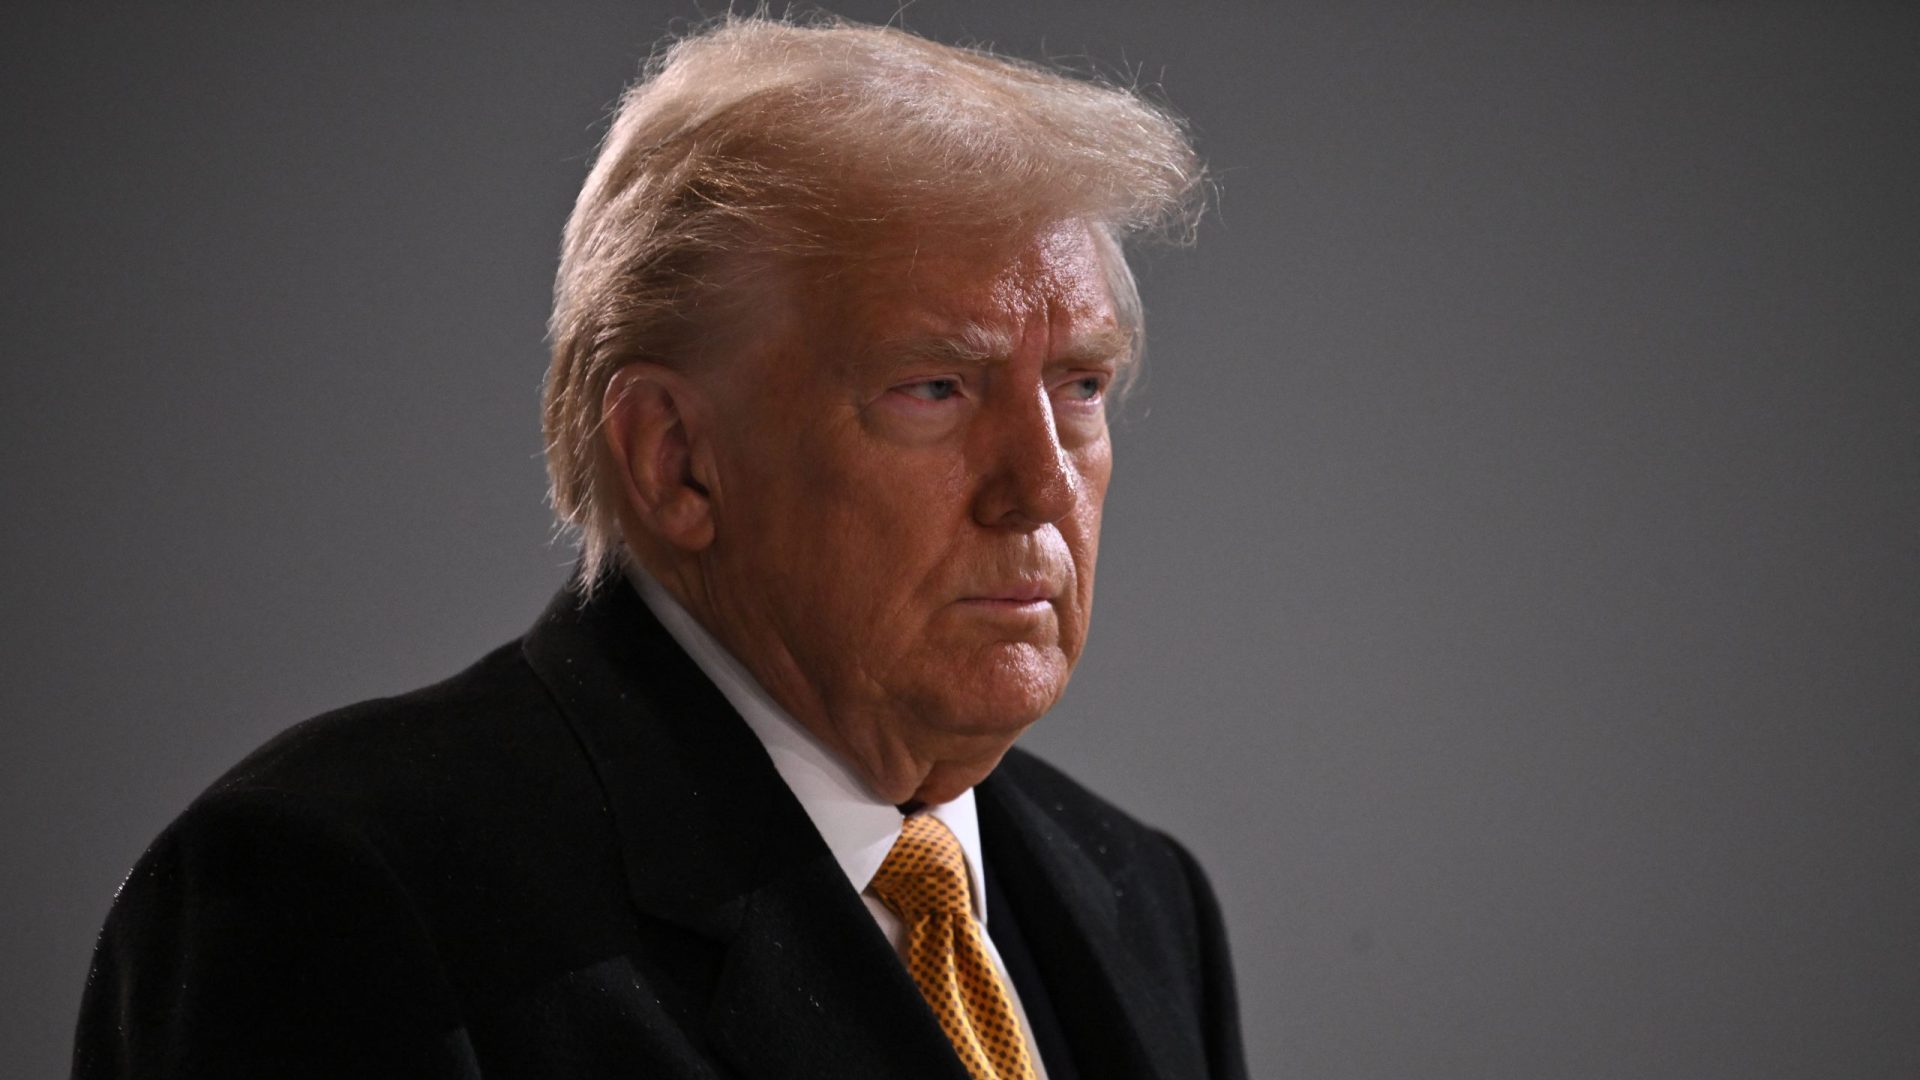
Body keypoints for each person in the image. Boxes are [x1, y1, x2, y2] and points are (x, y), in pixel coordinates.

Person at [72, 14, 1245, 1080]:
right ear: (675, 460)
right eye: (934, 387)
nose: (1041, 483)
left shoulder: (1142, 900)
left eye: (1081, 387)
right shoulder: (334, 900)